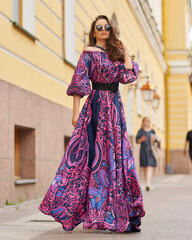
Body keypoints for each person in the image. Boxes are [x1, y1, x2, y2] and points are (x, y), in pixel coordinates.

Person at [38, 15, 145, 233]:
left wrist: (124, 47)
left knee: (118, 157)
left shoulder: (115, 54)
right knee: (91, 158)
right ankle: (93, 212)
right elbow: (79, 80)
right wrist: (75, 113)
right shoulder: (88, 53)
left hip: (114, 110)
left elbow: (128, 76)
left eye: (107, 27)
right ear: (93, 31)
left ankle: (119, 213)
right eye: (99, 27)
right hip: (95, 107)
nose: (104, 29)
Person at [136, 117, 158, 191]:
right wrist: (141, 139)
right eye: (146, 121)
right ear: (143, 122)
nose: (148, 122)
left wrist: (154, 139)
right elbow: (137, 141)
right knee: (145, 167)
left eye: (149, 121)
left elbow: (156, 140)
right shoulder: (140, 131)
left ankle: (148, 183)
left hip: (151, 151)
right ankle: (147, 182)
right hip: (143, 151)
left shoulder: (152, 131)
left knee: (149, 167)